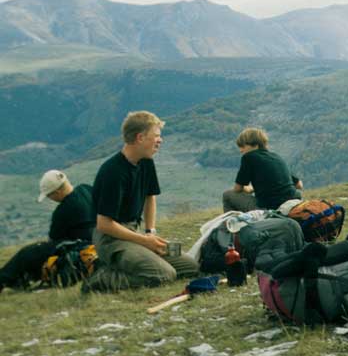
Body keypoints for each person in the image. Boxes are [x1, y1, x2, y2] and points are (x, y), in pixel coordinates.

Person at [86, 111, 198, 291]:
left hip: (135, 232)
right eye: (156, 136)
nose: (160, 141)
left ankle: (135, 261)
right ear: (140, 138)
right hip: (111, 239)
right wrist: (144, 241)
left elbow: (150, 196)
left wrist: (150, 232)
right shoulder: (113, 172)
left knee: (190, 266)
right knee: (164, 275)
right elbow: (104, 224)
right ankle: (102, 278)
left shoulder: (146, 161)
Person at [0, 170, 94, 292]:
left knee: (27, 253)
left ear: (57, 192)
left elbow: (54, 238)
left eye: (49, 195)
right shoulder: (86, 189)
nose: (50, 198)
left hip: (76, 246)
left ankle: (4, 280)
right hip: (95, 240)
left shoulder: (63, 210)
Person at [222, 127, 302, 212]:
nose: (241, 150)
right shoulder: (276, 157)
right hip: (294, 200)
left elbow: (237, 189)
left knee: (227, 195)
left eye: (243, 146)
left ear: (255, 145)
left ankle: (234, 224)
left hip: (269, 207)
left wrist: (247, 189)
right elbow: (299, 185)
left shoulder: (248, 157)